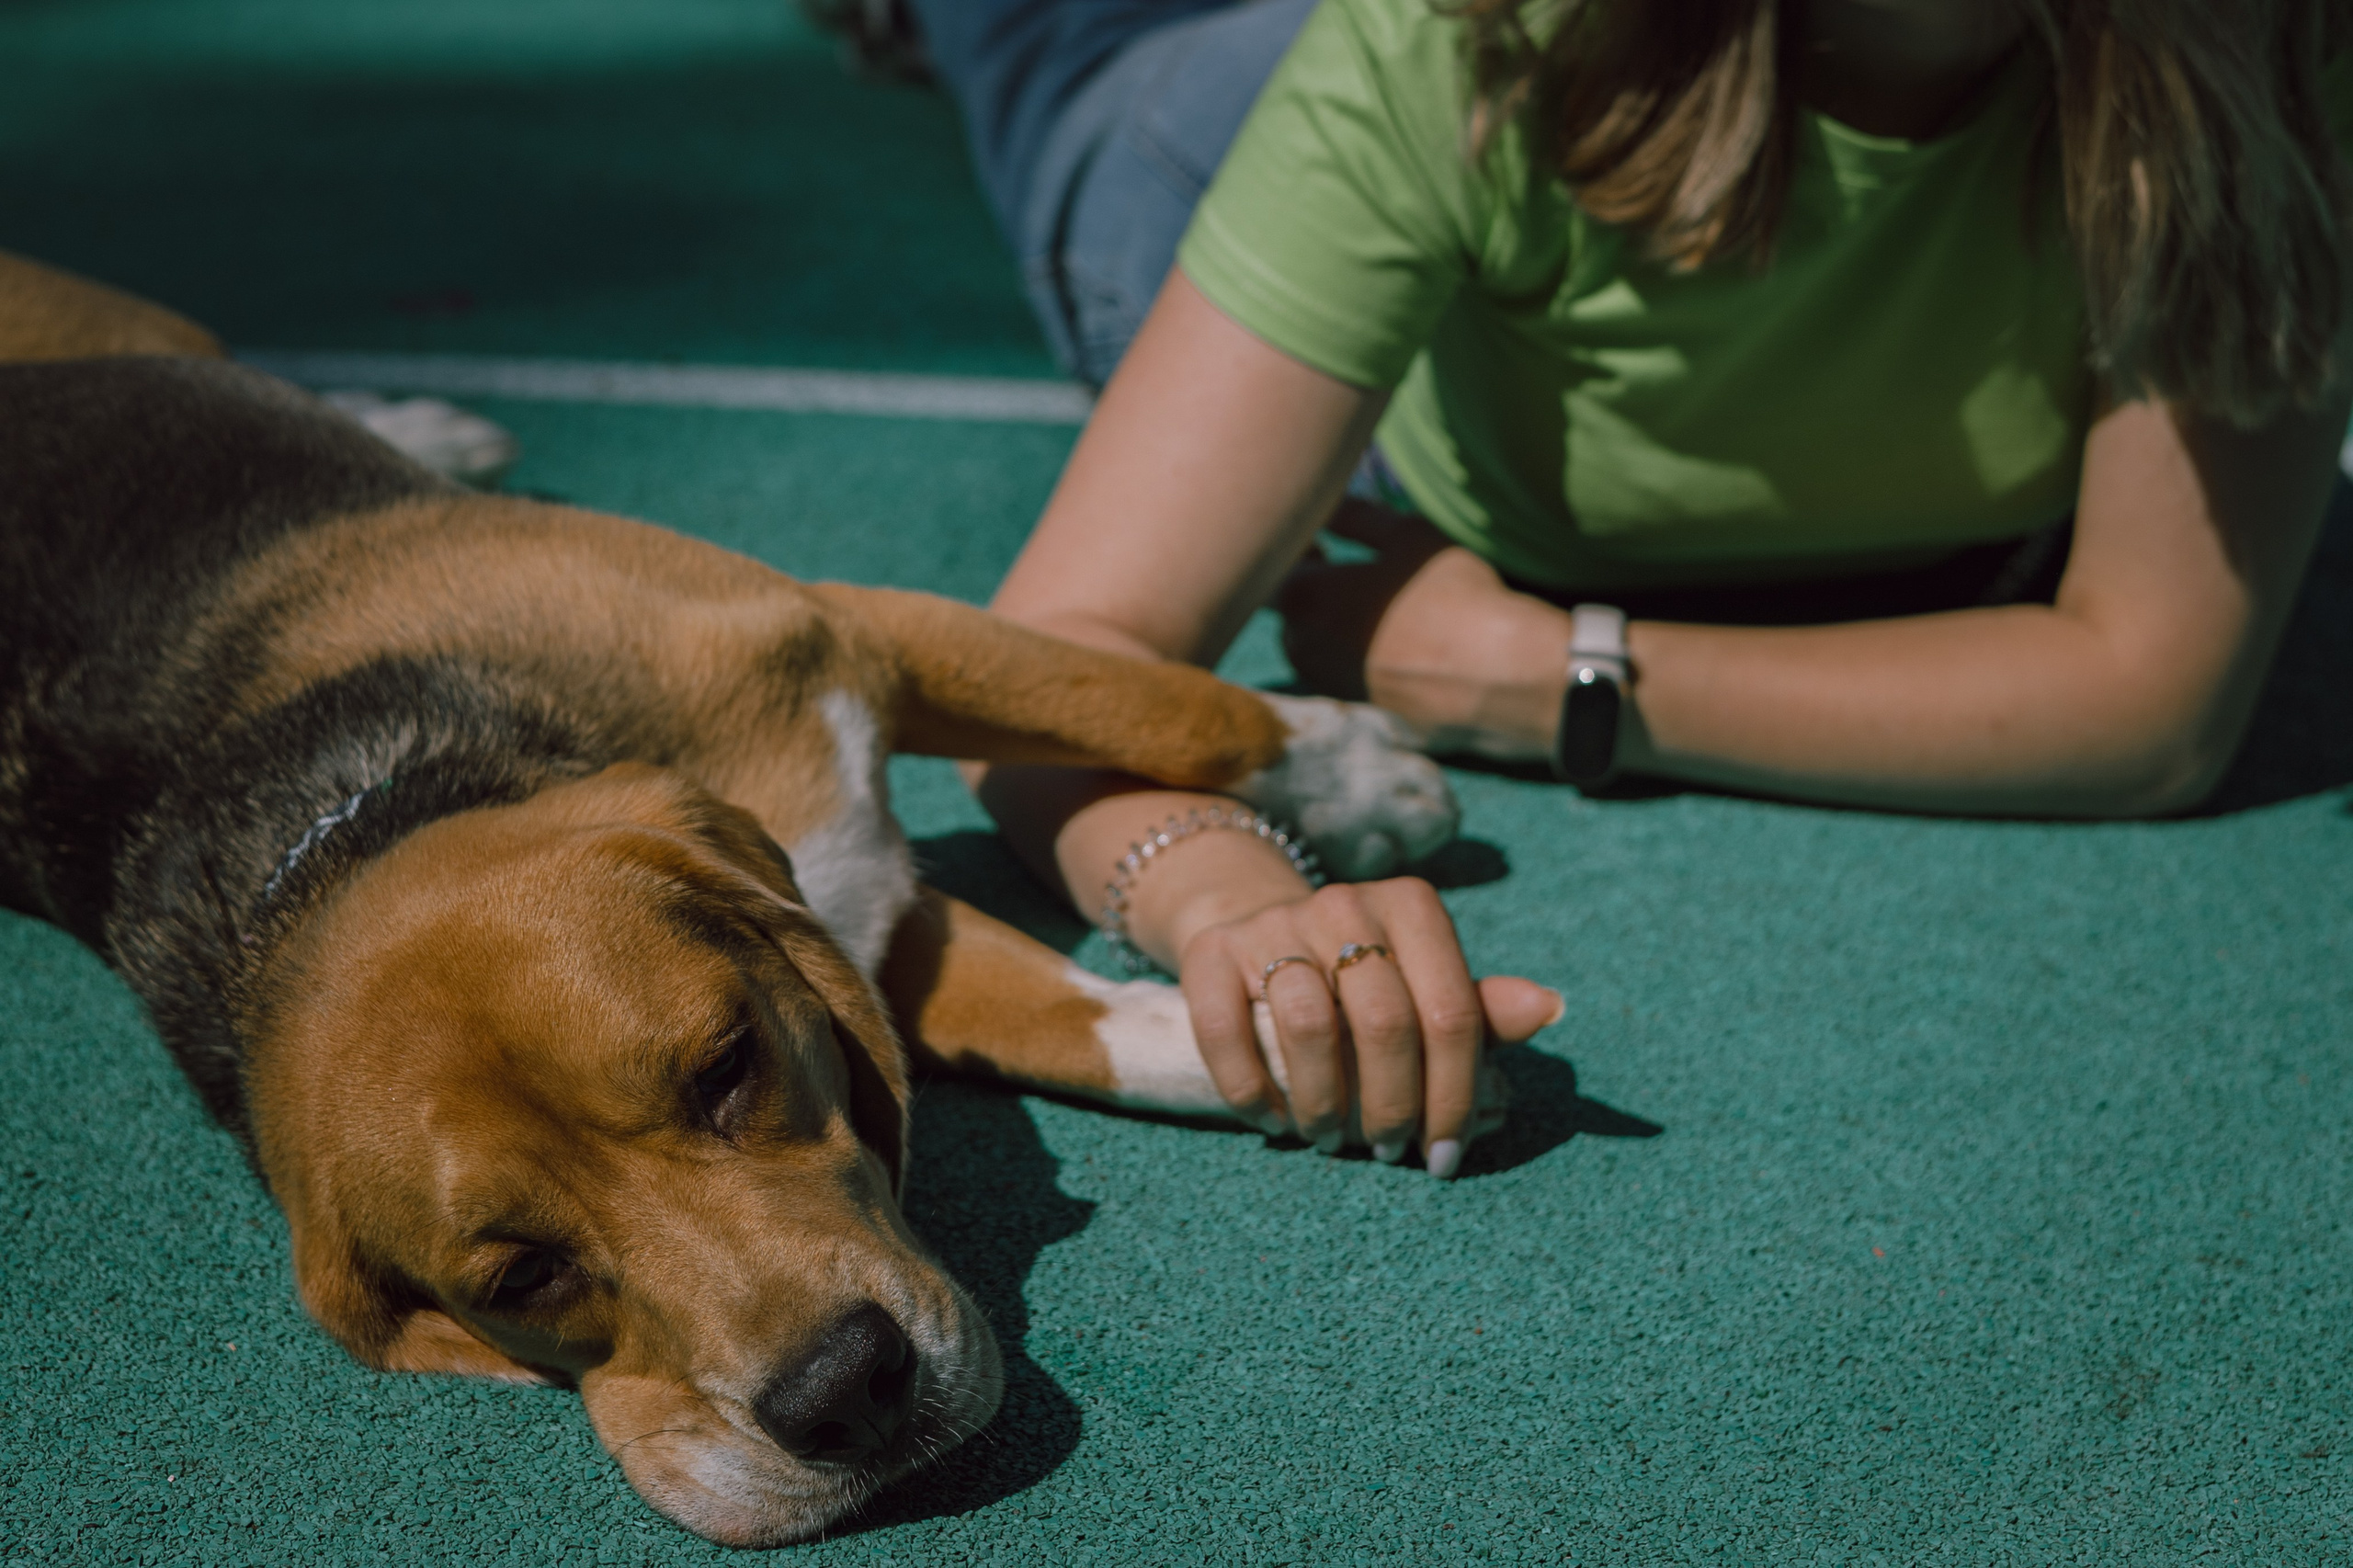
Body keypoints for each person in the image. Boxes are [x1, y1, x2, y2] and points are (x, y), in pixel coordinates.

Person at [857, 0, 2352, 1176]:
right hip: (1220, 178)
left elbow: (2156, 694)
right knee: (1055, 36)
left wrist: (1549, 674)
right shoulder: (1461, 43)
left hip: (1500, 471)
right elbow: (1045, 660)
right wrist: (1233, 898)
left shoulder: (2268, 54)